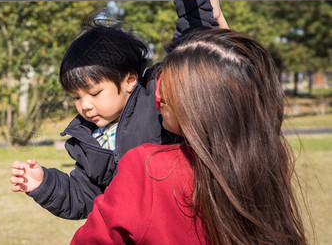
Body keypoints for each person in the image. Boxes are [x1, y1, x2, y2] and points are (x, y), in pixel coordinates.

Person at [10, 0, 226, 220]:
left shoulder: (155, 99)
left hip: (182, 217)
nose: (84, 106)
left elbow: (189, 52)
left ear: (129, 80)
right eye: (76, 97)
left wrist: (190, 0)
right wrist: (45, 184)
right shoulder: (88, 141)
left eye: (94, 93)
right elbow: (86, 197)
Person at [71, 28, 308, 244]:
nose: (158, 93)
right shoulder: (266, 156)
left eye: (169, 82)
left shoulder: (148, 169)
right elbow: (237, 83)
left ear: (197, 97)